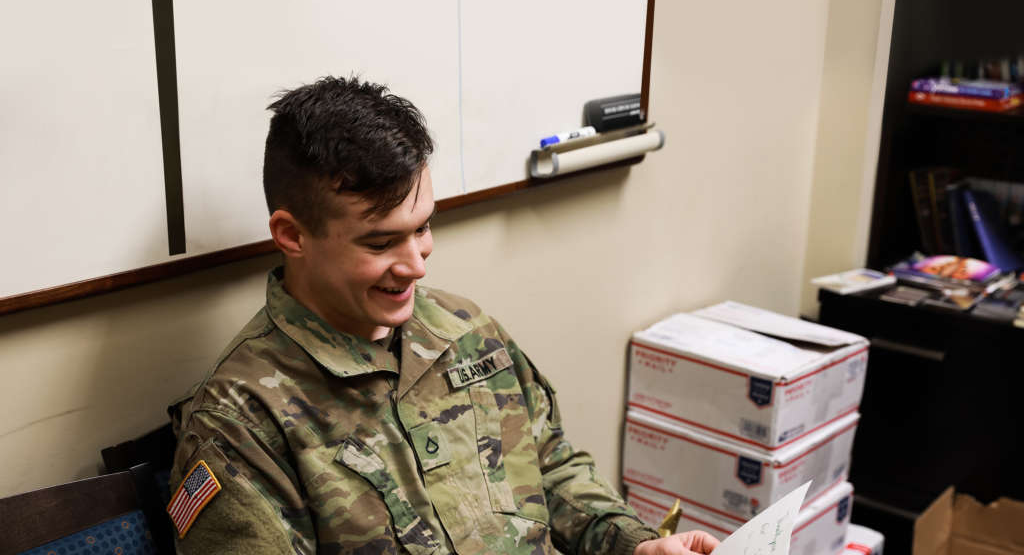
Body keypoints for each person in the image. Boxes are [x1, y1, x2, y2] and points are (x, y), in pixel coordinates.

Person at [166, 76, 720, 555]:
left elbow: (549, 464)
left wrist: (633, 542)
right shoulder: (240, 422)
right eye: (381, 242)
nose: (417, 265)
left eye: (424, 227)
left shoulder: (464, 330)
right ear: (293, 235)